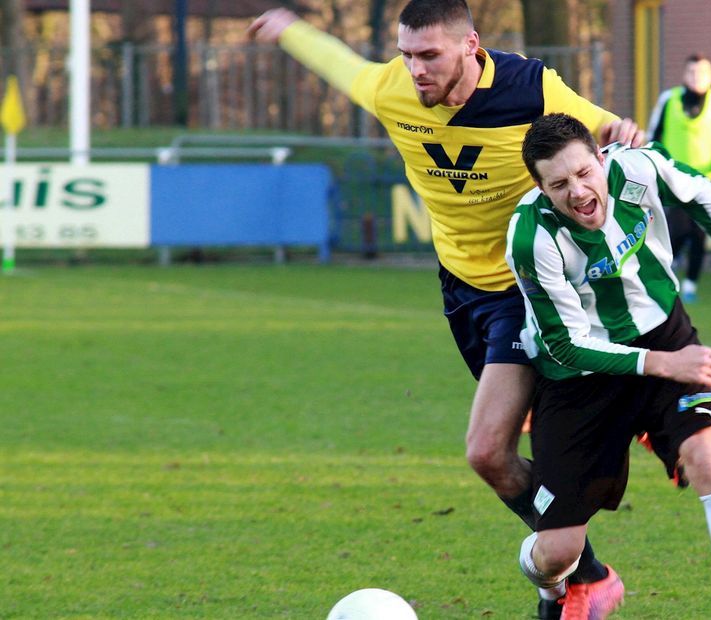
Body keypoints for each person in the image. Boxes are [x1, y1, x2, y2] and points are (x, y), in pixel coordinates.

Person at [247, 3, 643, 619]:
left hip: (526, 288)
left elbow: (594, 130)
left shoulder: (529, 87)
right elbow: (341, 65)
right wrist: (288, 29)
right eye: (407, 55)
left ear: (471, 47)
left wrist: (621, 129)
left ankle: (581, 573)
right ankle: (569, 574)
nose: (415, 71)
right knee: (505, 454)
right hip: (461, 293)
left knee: (487, 450)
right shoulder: (393, 88)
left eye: (429, 55)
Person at [506, 113, 711, 620]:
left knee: (710, 461)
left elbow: (699, 193)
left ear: (600, 158)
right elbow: (565, 346)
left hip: (660, 332)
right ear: (540, 188)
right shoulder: (531, 237)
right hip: (580, 381)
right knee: (557, 553)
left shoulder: (638, 169)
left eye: (585, 173)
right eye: (559, 184)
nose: (580, 191)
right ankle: (550, 588)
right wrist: (663, 365)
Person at [646, 54, 711, 303]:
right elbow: (653, 135)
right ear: (684, 75)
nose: (696, 77)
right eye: (691, 73)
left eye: (702, 73)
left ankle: (690, 285)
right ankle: (664, 277)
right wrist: (656, 166)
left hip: (706, 180)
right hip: (673, 178)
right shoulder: (669, 99)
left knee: (699, 234)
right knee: (674, 231)